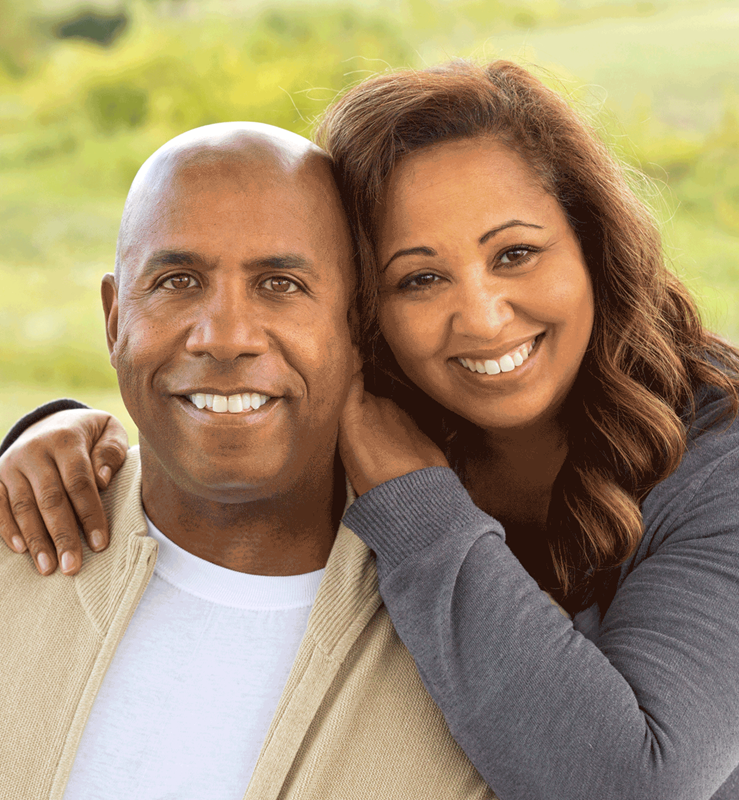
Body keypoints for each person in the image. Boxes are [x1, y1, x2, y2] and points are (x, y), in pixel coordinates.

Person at [1, 61, 739, 799]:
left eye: (515, 254)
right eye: (419, 279)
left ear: (592, 244)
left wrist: (419, 507)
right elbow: (225, 382)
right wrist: (66, 437)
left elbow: (631, 781)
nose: (481, 318)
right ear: (367, 310)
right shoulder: (390, 398)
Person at [0, 122, 491, 800]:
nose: (225, 337)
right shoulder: (17, 541)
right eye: (177, 281)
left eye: (281, 284)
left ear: (358, 328)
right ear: (115, 320)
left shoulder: (486, 640)